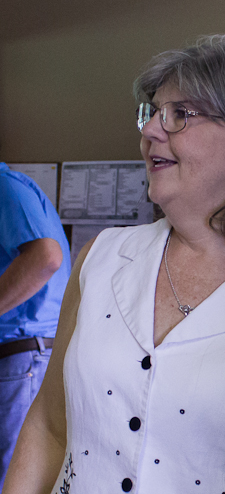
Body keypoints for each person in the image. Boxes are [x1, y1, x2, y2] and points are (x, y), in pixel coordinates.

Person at [3, 36, 225, 494]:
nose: (149, 131)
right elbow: (49, 425)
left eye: (180, 114)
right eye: (152, 112)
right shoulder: (101, 258)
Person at [0, 165, 70, 489]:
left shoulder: (4, 186)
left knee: (12, 480)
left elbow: (46, 256)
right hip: (20, 356)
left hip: (23, 354)